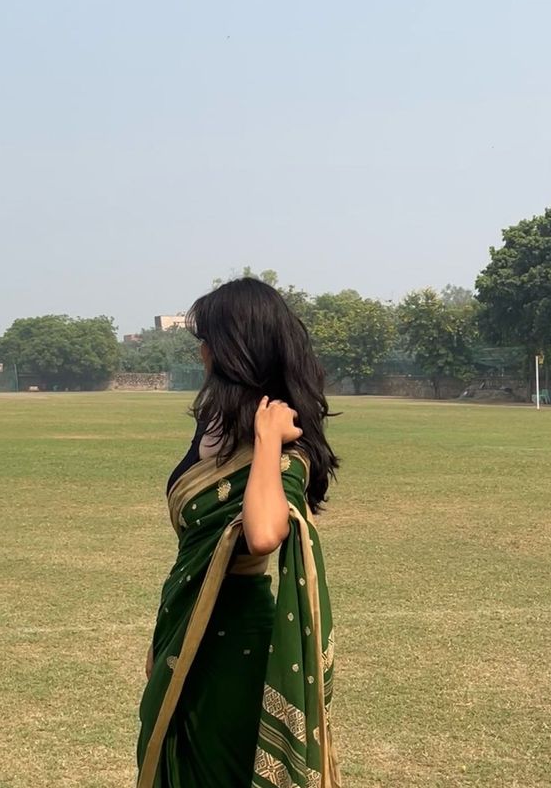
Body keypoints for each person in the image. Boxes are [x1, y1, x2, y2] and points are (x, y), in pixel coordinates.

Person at [136, 277, 342, 787]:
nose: (201, 351)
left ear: (233, 349)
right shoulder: (214, 425)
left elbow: (265, 534)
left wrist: (269, 441)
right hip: (188, 627)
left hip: (237, 646)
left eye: (207, 339)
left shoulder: (279, 442)